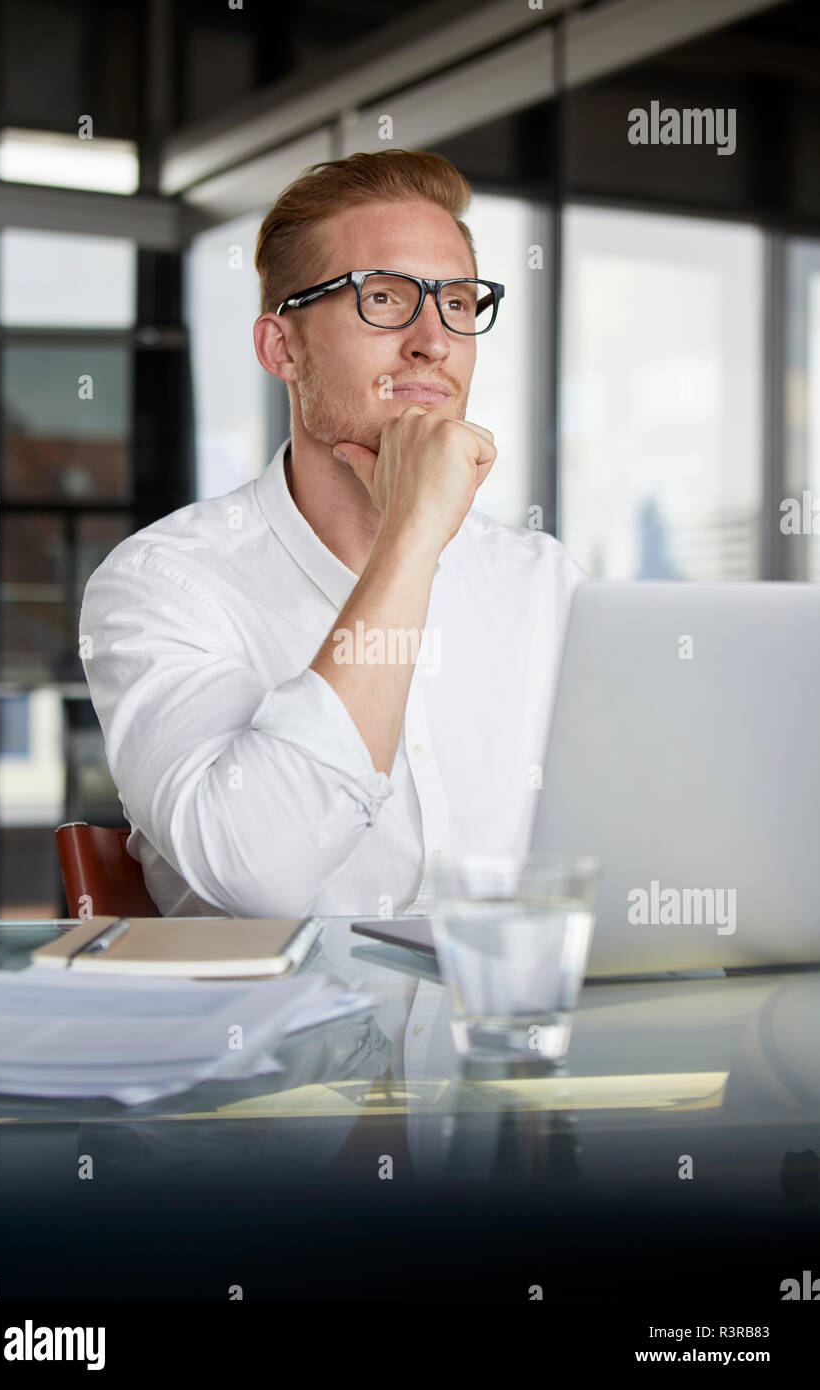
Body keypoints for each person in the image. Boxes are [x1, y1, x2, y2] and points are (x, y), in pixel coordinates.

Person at [80, 148, 587, 918]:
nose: (433, 340)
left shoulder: (542, 581)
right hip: (266, 1035)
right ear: (282, 348)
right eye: (383, 298)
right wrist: (411, 539)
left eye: (456, 301)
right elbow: (261, 873)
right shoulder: (162, 581)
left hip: (506, 1032)